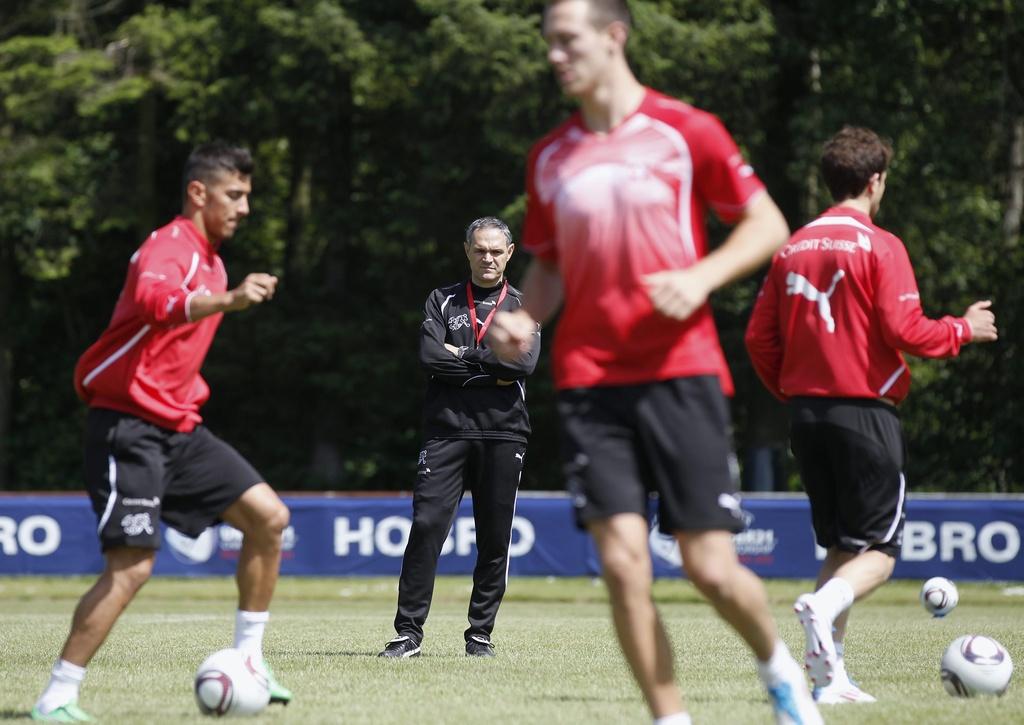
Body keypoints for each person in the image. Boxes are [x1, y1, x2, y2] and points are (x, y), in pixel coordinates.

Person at [487, 2, 822, 723]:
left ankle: (779, 670)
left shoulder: (685, 131)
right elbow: (549, 269)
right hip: (589, 382)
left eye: (567, 40)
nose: (554, 55)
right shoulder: (550, 155)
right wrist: (523, 316)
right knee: (621, 565)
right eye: (548, 42)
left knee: (709, 569)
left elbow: (768, 225)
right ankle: (670, 718)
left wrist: (701, 278)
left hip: (682, 372)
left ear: (615, 36)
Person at [31, 142, 293, 722]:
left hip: (179, 427)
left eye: (247, 196)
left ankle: (250, 662)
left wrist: (223, 291)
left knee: (269, 518)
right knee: (132, 566)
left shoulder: (216, 261)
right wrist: (227, 300)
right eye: (235, 194)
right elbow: (155, 300)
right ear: (199, 193)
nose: (245, 207)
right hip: (127, 426)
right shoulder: (168, 245)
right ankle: (57, 696)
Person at [744, 126, 998, 704]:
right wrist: (963, 328)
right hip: (864, 412)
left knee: (841, 547)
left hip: (807, 415)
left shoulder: (791, 247)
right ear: (876, 180)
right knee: (879, 554)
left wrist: (792, 390)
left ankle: (826, 681)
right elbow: (904, 330)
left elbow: (759, 339)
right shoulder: (881, 244)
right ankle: (823, 604)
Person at [378, 217, 539, 659]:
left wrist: (462, 355)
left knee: (494, 538)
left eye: (496, 251)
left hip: (505, 433)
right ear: (467, 251)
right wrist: (489, 364)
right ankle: (408, 632)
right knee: (427, 526)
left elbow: (522, 368)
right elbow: (430, 357)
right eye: (479, 250)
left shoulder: (523, 305)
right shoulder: (441, 299)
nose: (487, 258)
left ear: (509, 254)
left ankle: (480, 635)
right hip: (446, 431)